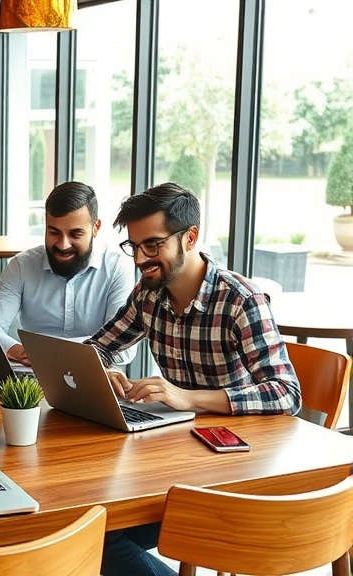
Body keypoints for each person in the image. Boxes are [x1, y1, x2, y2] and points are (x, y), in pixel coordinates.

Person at [85, 182, 301, 576]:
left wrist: (190, 398)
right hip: (177, 461)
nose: (140, 259)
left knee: (98, 536)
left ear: (191, 237)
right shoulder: (148, 296)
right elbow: (97, 347)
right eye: (133, 247)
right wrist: (105, 371)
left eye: (152, 246)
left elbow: (286, 393)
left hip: (237, 472)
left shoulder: (240, 301)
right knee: (92, 528)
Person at [0, 181, 136, 367]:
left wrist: (47, 351)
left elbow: (123, 348)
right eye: (53, 232)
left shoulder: (117, 268)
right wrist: (18, 351)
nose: (63, 245)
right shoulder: (21, 266)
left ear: (96, 227)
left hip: (96, 375)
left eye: (75, 234)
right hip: (33, 376)